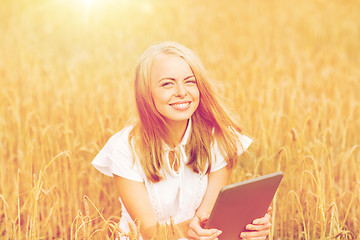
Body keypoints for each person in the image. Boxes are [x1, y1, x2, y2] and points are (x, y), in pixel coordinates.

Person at [92, 41, 272, 240]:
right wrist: (194, 227)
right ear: (145, 92)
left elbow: (208, 219)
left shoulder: (219, 138)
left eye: (190, 81)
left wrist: (248, 229)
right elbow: (150, 232)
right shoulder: (125, 147)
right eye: (167, 84)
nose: (181, 92)